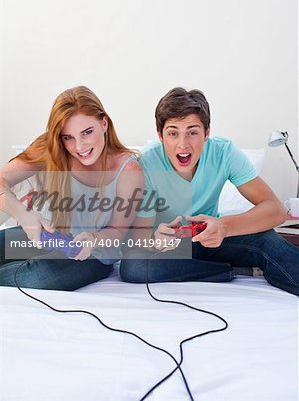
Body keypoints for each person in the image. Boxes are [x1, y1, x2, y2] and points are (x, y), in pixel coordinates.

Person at [120, 87, 299, 296]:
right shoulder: (146, 163)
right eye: (173, 133)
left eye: (192, 132)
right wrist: (155, 240)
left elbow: (276, 210)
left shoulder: (223, 152)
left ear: (206, 133)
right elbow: (140, 236)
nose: (182, 144)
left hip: (211, 238)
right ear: (160, 135)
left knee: (267, 240)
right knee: (132, 266)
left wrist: (223, 227)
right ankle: (228, 271)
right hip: (170, 249)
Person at [0, 86, 142, 290]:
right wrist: (24, 216)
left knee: (39, 276)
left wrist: (93, 239)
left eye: (87, 132)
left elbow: (117, 232)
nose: (80, 146)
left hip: (93, 255)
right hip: (48, 235)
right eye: (68, 137)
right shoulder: (50, 147)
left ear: (104, 123)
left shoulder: (129, 170)